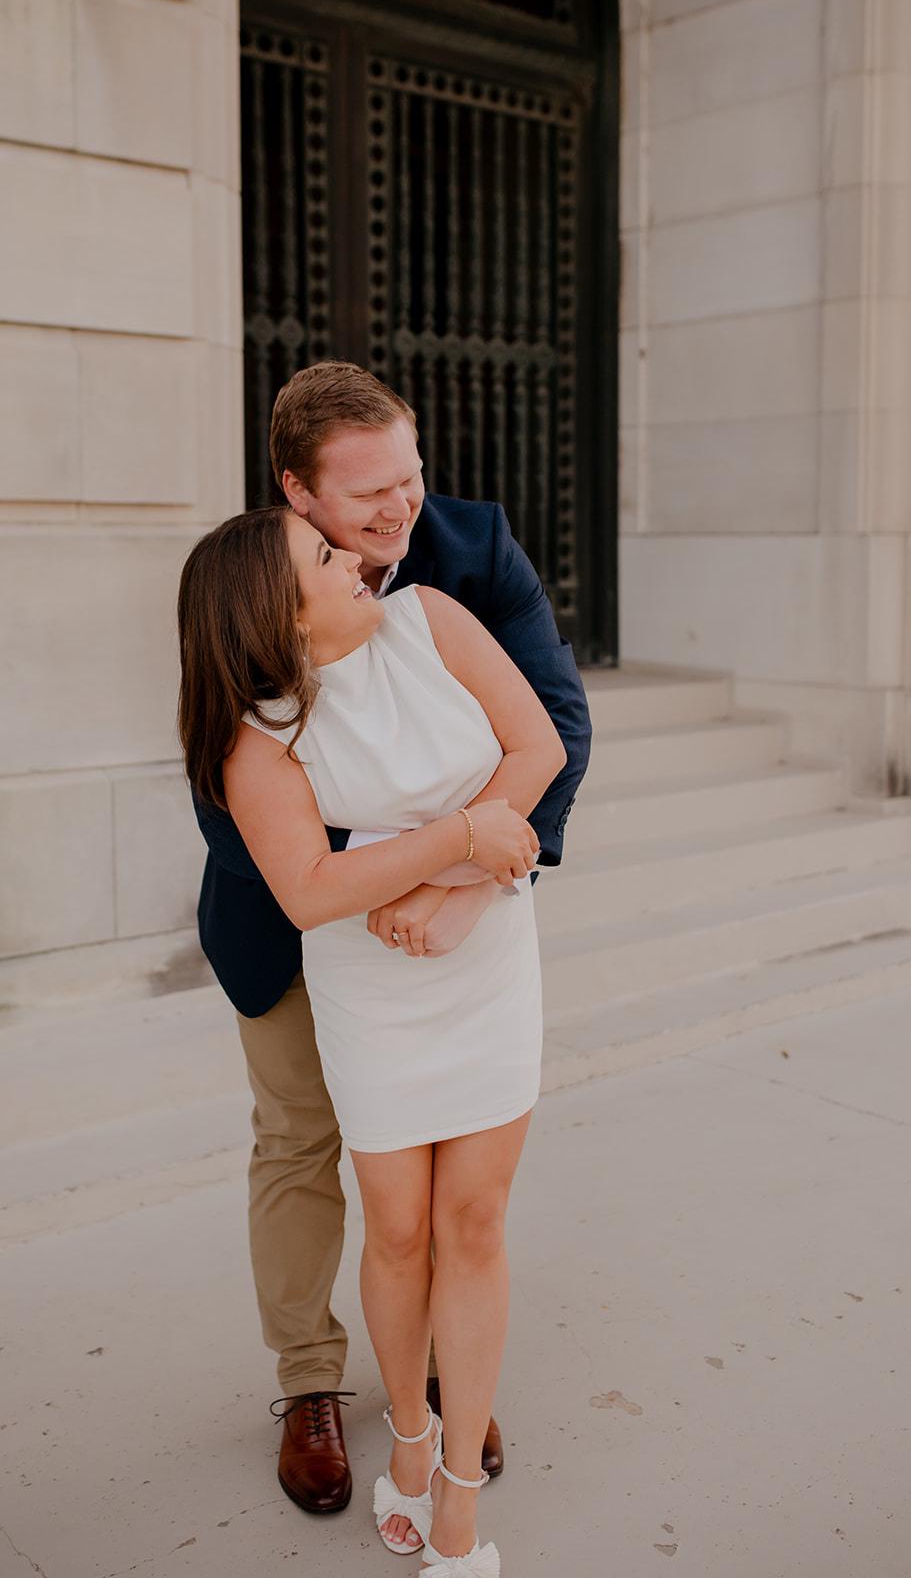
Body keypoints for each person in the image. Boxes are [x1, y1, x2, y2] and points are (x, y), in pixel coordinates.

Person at [189, 364, 591, 1527]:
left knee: (456, 1207)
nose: (398, 508)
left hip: (459, 912)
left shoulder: (466, 560)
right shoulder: (251, 590)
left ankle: (442, 1385)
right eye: (366, 494)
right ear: (297, 493)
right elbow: (268, 840)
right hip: (296, 924)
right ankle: (313, 1382)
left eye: (408, 477)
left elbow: (553, 729)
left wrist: (468, 880)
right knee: (304, 1145)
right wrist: (419, 854)